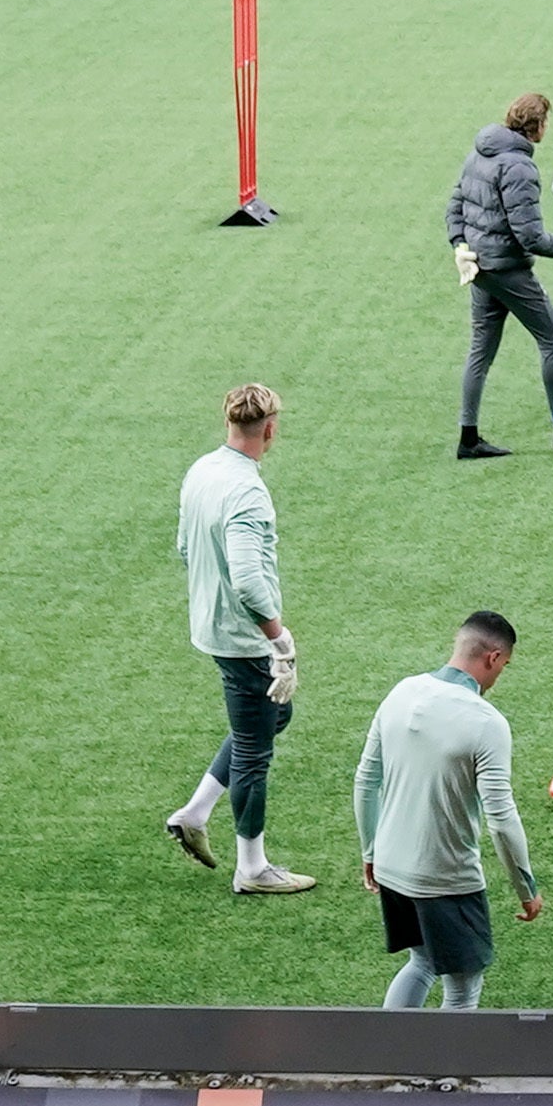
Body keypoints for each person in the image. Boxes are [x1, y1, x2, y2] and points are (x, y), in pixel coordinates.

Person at [167, 383, 313, 893]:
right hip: (242, 637)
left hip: (209, 624)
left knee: (276, 715)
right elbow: (249, 579)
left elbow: (185, 547)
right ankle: (251, 868)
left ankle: (195, 812)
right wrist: (279, 641)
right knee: (254, 751)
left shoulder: (202, 469)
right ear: (269, 429)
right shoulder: (248, 491)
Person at [359, 612, 544, 1010]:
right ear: (493, 658)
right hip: (446, 876)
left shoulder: (401, 692)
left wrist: (370, 852)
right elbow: (501, 820)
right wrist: (526, 888)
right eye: (504, 667)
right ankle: (444, 1072)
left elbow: (365, 781)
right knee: (462, 988)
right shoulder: (485, 722)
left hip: (392, 866)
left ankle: (388, 1059)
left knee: (422, 961)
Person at [453, 93, 553, 460]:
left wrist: (460, 245)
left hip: (480, 267)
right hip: (507, 269)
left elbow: (455, 203)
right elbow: (529, 235)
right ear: (537, 127)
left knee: (480, 351)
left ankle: (468, 438)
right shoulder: (519, 167)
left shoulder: (480, 152)